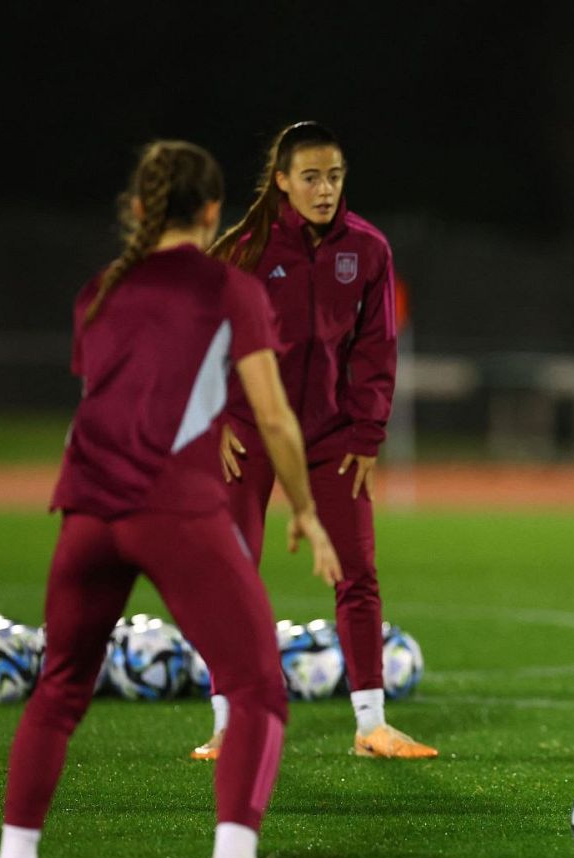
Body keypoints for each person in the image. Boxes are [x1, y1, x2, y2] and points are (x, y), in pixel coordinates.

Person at [0, 141, 341, 858]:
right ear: (213, 210)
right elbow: (274, 418)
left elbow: (120, 395)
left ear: (140, 208)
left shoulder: (98, 292)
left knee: (59, 690)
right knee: (257, 686)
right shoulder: (229, 287)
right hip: (172, 510)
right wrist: (307, 512)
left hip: (85, 513)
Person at [203, 122, 435, 760]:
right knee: (232, 572)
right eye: (310, 177)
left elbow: (377, 347)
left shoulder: (368, 248)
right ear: (282, 181)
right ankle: (228, 722)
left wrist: (367, 431)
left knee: (357, 571)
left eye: (334, 176)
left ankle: (371, 725)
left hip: (334, 437)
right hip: (250, 431)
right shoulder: (243, 249)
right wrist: (215, 418)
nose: (325, 188)